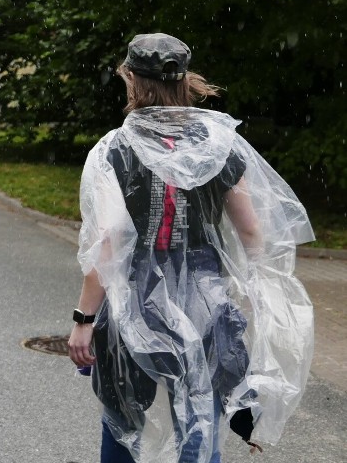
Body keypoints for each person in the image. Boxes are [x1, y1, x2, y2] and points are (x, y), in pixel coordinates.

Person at [67, 33, 315, 462]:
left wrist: (83, 319)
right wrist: (258, 293)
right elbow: (252, 232)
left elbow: (108, 243)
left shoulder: (114, 149)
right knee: (199, 414)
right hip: (204, 295)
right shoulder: (217, 144)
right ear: (185, 81)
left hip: (134, 298)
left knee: (123, 413)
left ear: (130, 78)